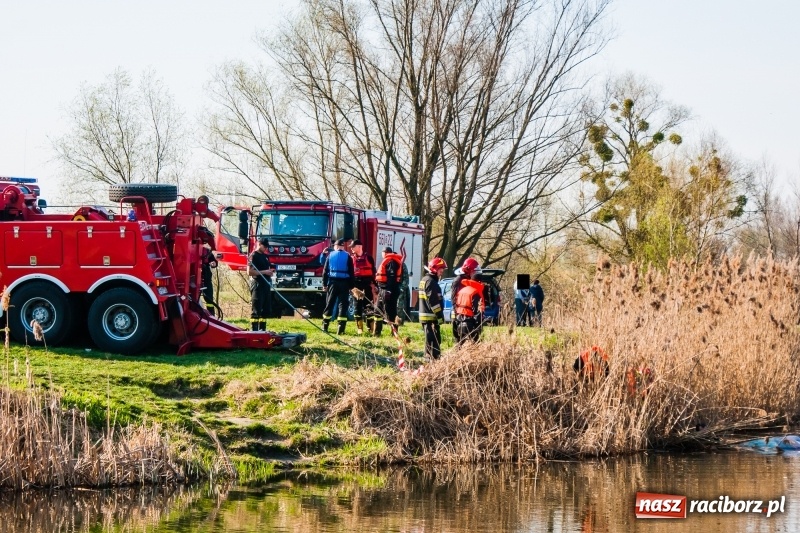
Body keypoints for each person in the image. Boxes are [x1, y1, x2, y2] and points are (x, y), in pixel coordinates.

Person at [322, 238, 355, 334]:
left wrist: (324, 284)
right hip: (344, 283)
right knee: (343, 305)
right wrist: (351, 287)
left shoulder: (330, 256)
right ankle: (340, 329)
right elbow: (351, 273)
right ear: (343, 247)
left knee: (330, 304)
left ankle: (325, 327)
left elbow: (325, 271)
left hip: (332, 283)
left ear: (336, 247)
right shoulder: (348, 256)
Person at [419, 257, 447, 360]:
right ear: (435, 269)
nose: (442, 272)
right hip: (430, 318)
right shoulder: (431, 282)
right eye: (441, 269)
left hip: (427, 317)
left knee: (431, 340)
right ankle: (431, 360)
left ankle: (431, 358)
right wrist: (440, 316)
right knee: (433, 341)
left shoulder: (426, 280)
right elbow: (434, 303)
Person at [373, 246, 404, 337]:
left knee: (391, 312)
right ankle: (376, 333)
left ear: (385, 253)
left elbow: (391, 278)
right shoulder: (389, 260)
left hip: (389, 290)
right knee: (377, 309)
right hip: (383, 288)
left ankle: (394, 333)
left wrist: (389, 291)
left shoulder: (391, 261)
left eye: (382, 252)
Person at [350, 239, 376, 335]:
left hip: (367, 284)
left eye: (353, 246)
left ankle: (370, 328)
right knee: (357, 306)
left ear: (359, 247)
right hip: (356, 285)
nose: (351, 248)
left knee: (368, 306)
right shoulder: (351, 258)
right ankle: (359, 328)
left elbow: (373, 271)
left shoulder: (369, 258)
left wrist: (375, 284)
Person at [453, 268, 485, 345]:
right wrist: (479, 327)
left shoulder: (462, 290)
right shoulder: (475, 292)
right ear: (479, 281)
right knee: (475, 348)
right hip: (470, 324)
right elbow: (478, 313)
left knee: (459, 347)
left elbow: (456, 306)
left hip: (458, 322)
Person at [248, 238, 275, 331]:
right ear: (259, 244)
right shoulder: (253, 256)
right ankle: (254, 330)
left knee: (265, 310)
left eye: (267, 247)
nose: (266, 248)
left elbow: (267, 269)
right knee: (257, 309)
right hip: (257, 284)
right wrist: (265, 272)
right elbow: (250, 272)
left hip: (266, 284)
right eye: (264, 246)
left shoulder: (266, 256)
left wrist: (270, 272)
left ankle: (263, 330)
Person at [201, 245, 218, 316]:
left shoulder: (206, 251)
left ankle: (211, 315)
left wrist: (214, 263)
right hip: (194, 278)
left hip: (206, 278)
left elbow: (214, 262)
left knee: (209, 299)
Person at [396, 259, 410, 324]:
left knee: (400, 306)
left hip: (400, 288)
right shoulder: (389, 263)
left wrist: (402, 288)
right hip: (391, 288)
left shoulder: (402, 265)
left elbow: (406, 279)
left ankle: (400, 322)